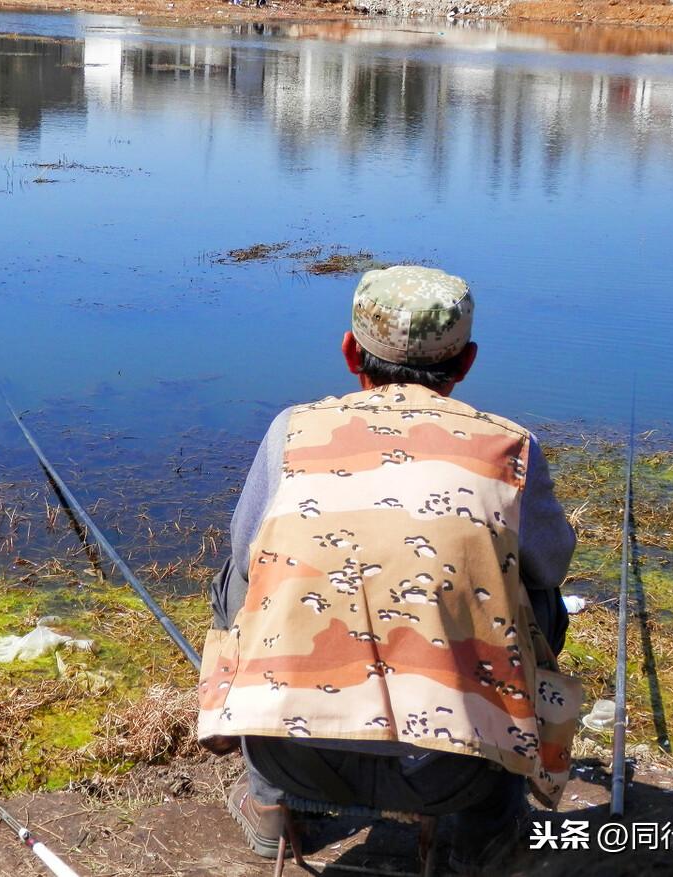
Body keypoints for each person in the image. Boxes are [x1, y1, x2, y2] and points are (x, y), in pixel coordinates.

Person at [197, 265, 583, 875]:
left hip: (290, 757)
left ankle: (271, 810)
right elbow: (553, 560)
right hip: (455, 774)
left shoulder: (291, 431)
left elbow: (245, 549)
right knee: (537, 597)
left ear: (351, 351)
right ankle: (487, 831)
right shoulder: (510, 448)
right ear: (467, 362)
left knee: (245, 577)